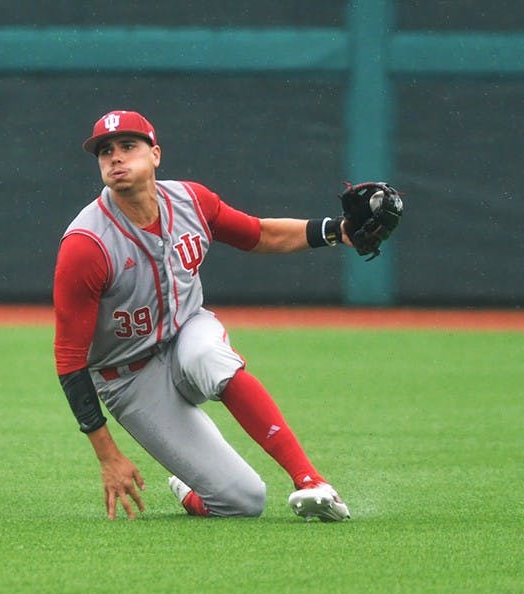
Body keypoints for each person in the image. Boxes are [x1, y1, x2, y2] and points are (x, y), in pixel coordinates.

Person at [53, 110, 352, 522]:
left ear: (155, 154)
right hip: (129, 377)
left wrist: (338, 231)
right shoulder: (86, 244)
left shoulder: (192, 200)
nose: (115, 158)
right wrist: (108, 454)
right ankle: (189, 485)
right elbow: (69, 361)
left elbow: (258, 234)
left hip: (187, 334)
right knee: (244, 502)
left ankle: (310, 480)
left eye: (128, 146)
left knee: (205, 354)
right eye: (105, 151)